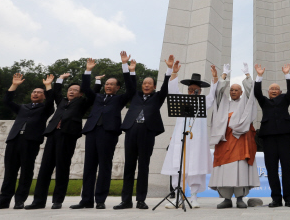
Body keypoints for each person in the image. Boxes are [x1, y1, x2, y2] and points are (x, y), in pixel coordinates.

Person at [25, 69, 102, 209]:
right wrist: (60, 79)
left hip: (68, 136)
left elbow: (93, 95)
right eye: (70, 89)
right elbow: (55, 93)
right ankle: (38, 201)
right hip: (53, 134)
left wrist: (97, 80)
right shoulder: (61, 101)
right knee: (45, 169)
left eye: (75, 90)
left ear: (80, 93)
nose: (71, 91)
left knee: (62, 168)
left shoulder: (82, 103)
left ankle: (57, 200)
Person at [70, 52, 137, 210]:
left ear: (117, 87)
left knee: (104, 166)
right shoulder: (97, 97)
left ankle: (100, 199)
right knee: (89, 167)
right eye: (107, 84)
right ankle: (86, 200)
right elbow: (85, 88)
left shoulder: (120, 99)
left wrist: (125, 66)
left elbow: (132, 88)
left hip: (108, 133)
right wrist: (88, 71)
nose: (108, 86)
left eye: (112, 84)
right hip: (92, 131)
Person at [113, 55, 174, 210]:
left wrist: (169, 69)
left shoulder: (158, 97)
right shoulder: (135, 95)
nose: (146, 85)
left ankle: (141, 200)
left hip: (147, 133)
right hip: (132, 131)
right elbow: (129, 83)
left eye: (150, 84)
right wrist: (127, 67)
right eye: (144, 83)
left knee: (144, 167)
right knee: (129, 167)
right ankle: (126, 200)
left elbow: (166, 87)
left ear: (154, 86)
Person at [0, 74, 55, 210]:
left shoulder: (46, 108)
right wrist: (14, 85)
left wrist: (48, 85)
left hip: (31, 142)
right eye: (34, 92)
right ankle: (4, 201)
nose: (36, 94)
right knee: (9, 172)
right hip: (14, 140)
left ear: (44, 96)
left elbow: (51, 100)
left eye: (39, 92)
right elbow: (7, 101)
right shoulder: (22, 108)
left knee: (26, 172)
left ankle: (20, 200)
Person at [162, 63, 219, 209]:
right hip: (180, 138)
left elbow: (213, 94)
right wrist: (173, 73)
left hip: (197, 139)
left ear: (200, 91)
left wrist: (214, 77)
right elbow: (172, 89)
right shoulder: (181, 99)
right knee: (177, 165)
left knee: (196, 166)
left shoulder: (204, 101)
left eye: (195, 90)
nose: (192, 91)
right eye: (190, 89)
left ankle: (194, 197)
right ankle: (178, 197)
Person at [208, 63, 260, 209]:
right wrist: (223, 76)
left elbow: (252, 91)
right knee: (224, 170)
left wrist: (248, 75)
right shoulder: (223, 104)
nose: (233, 92)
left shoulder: (245, 103)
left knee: (240, 169)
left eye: (237, 90)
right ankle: (226, 199)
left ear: (241, 92)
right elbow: (218, 92)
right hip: (224, 142)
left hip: (241, 141)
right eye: (231, 90)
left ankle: (239, 198)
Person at [253, 63, 290, 208]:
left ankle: (289, 198)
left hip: (285, 136)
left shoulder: (285, 99)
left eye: (276, 89)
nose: (274, 90)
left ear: (280, 91)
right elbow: (257, 93)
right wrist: (259, 76)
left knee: (287, 168)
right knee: (271, 169)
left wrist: (287, 74)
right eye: (271, 88)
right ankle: (276, 199)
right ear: (268, 91)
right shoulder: (264, 101)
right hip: (269, 137)